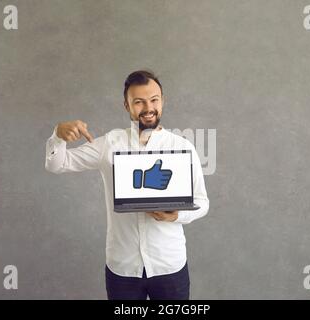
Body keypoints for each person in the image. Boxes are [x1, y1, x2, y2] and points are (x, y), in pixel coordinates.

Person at [45, 70, 209, 300]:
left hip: (169, 265)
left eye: (154, 100)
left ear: (163, 101)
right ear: (126, 105)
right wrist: (57, 136)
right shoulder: (110, 144)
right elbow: (57, 164)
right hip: (123, 267)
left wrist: (176, 215)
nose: (148, 108)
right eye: (139, 102)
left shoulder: (182, 147)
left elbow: (202, 202)